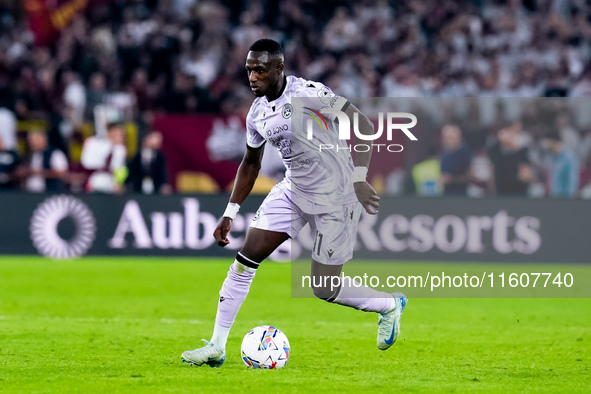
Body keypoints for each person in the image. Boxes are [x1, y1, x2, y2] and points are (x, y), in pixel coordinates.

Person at [181, 39, 407, 367]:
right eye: (248, 70)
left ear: (279, 68)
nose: (253, 77)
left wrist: (359, 178)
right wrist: (231, 211)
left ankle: (388, 306)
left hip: (337, 192)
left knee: (324, 287)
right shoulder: (257, 113)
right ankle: (216, 345)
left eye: (260, 70)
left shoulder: (309, 94)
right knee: (245, 260)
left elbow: (363, 124)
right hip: (294, 189)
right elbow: (251, 164)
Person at [487, 123, 535, 196]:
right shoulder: (494, 149)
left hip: (519, 192)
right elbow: (492, 171)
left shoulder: (523, 151)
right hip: (501, 191)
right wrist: (492, 191)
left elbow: (526, 175)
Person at [81, 122, 127, 193]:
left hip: (110, 185)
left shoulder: (119, 149)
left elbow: (118, 169)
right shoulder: (93, 143)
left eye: (122, 135)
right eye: (119, 135)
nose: (121, 138)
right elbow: (86, 163)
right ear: (111, 132)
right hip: (93, 182)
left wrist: (118, 183)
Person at [542, 130, 579, 197]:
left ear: (552, 141)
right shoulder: (551, 158)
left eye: (546, 141)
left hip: (565, 200)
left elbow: (572, 181)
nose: (544, 144)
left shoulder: (569, 157)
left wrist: (570, 201)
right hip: (554, 198)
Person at [439, 124, 472, 196]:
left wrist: (451, 180)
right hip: (445, 194)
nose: (448, 140)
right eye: (446, 137)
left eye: (451, 137)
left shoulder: (464, 154)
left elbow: (470, 176)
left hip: (460, 195)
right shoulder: (442, 153)